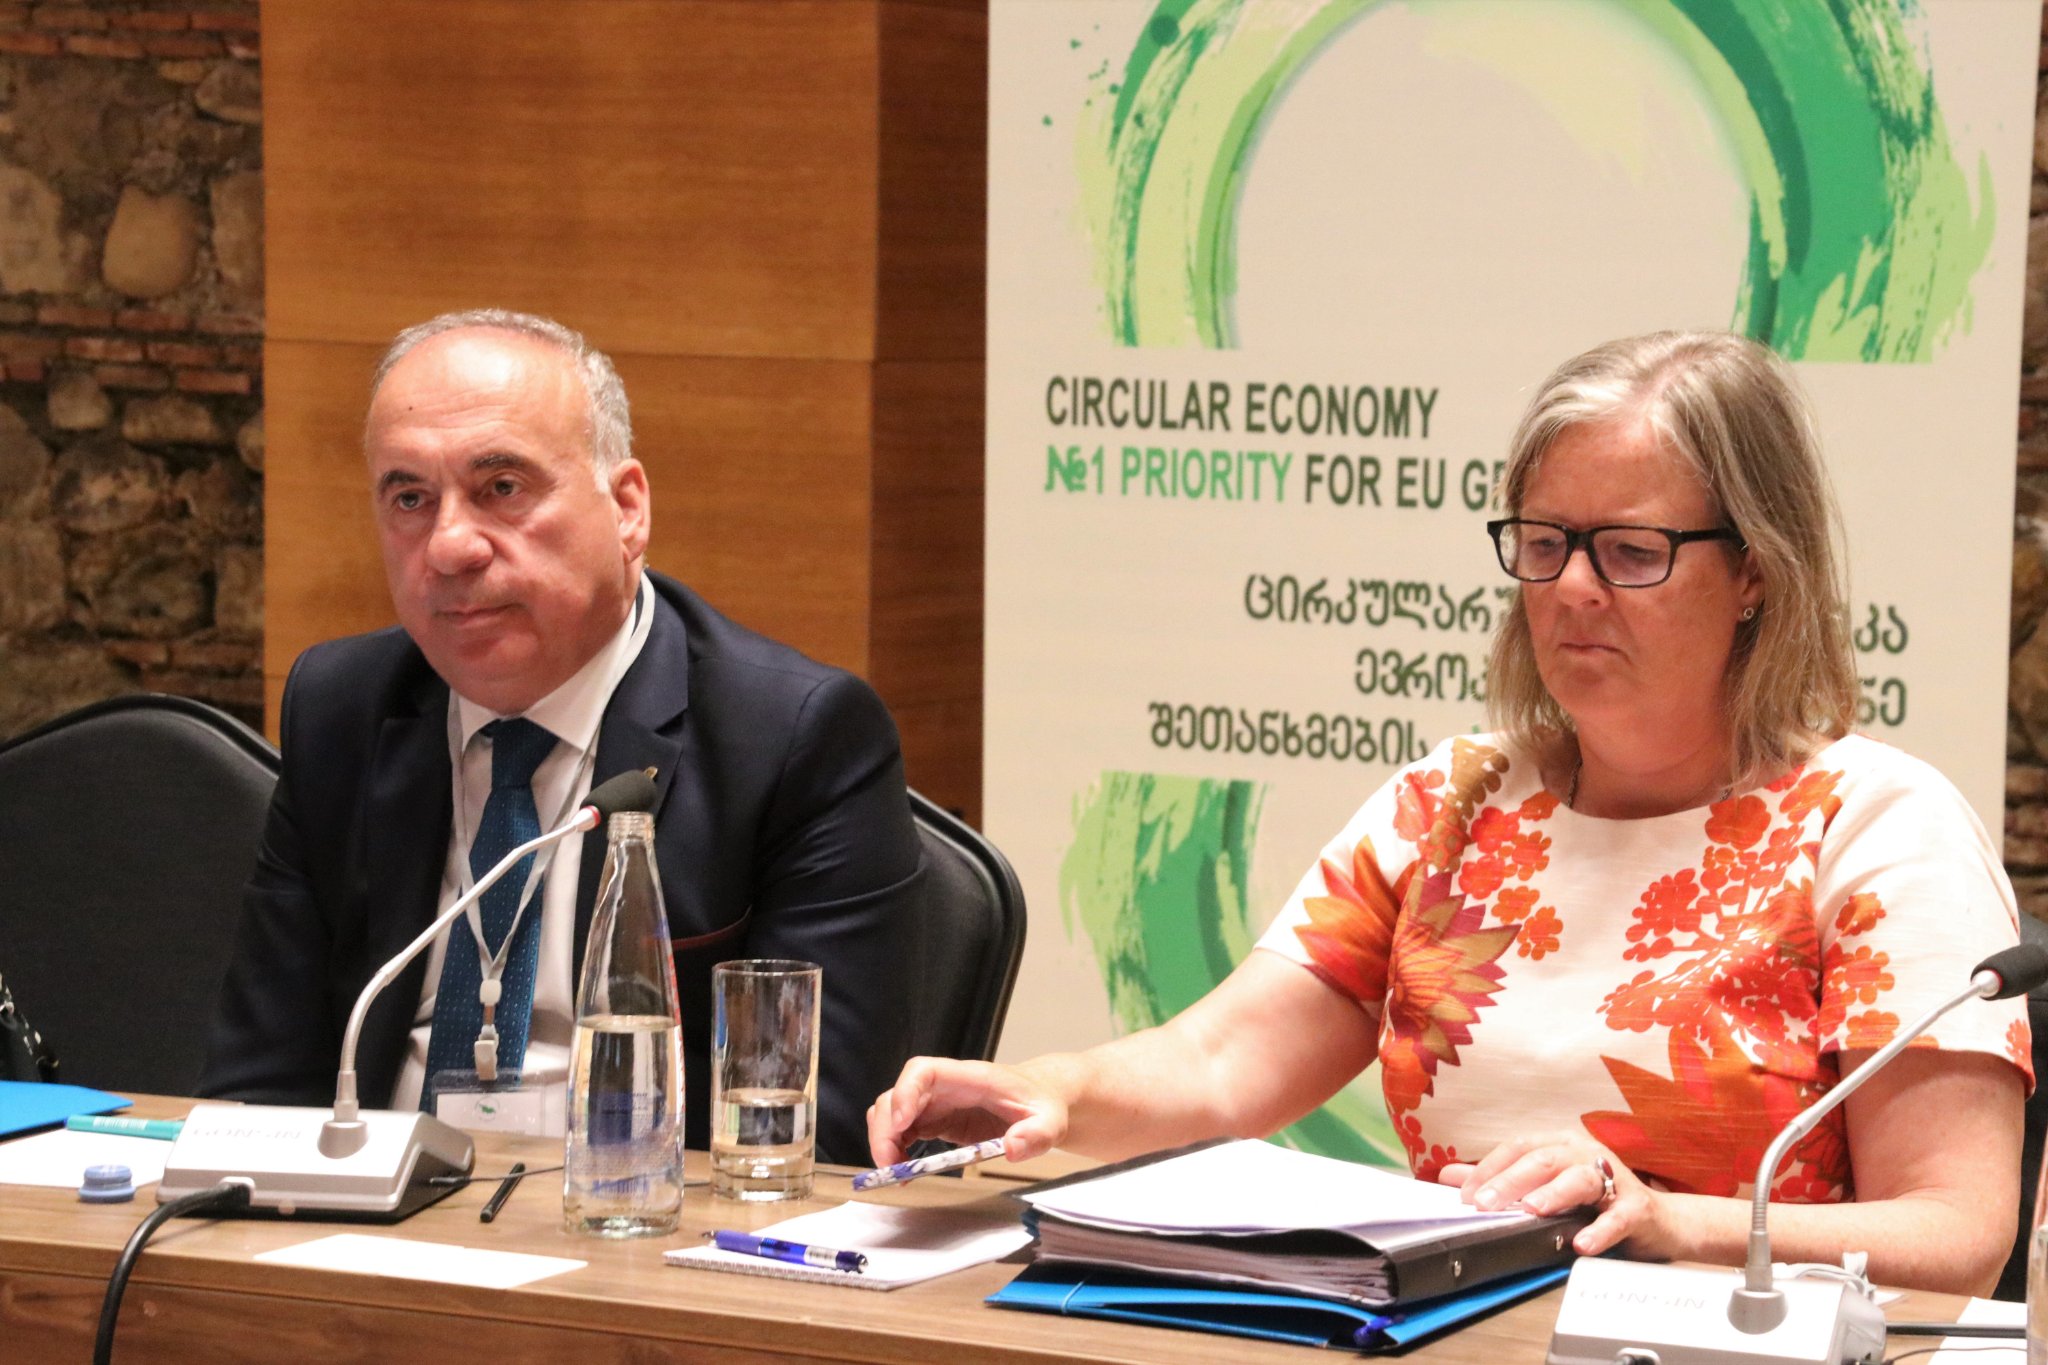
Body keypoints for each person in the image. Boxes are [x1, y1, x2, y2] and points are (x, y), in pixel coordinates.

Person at [869, 331, 2030, 1294]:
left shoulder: (1876, 829)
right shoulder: (1456, 800)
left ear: (1755, 573)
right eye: (1544, 545)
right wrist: (1051, 1090)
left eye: (1630, 552)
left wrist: (1669, 1221)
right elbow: (1220, 1065)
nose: (1570, 590)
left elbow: (1957, 1234)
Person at [200, 309, 923, 1163]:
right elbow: (259, 1085)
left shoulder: (792, 739)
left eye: (502, 487)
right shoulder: (342, 707)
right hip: (371, 1215)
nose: (450, 545)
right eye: (410, 498)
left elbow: (810, 1137)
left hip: (630, 1218)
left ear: (627, 509)